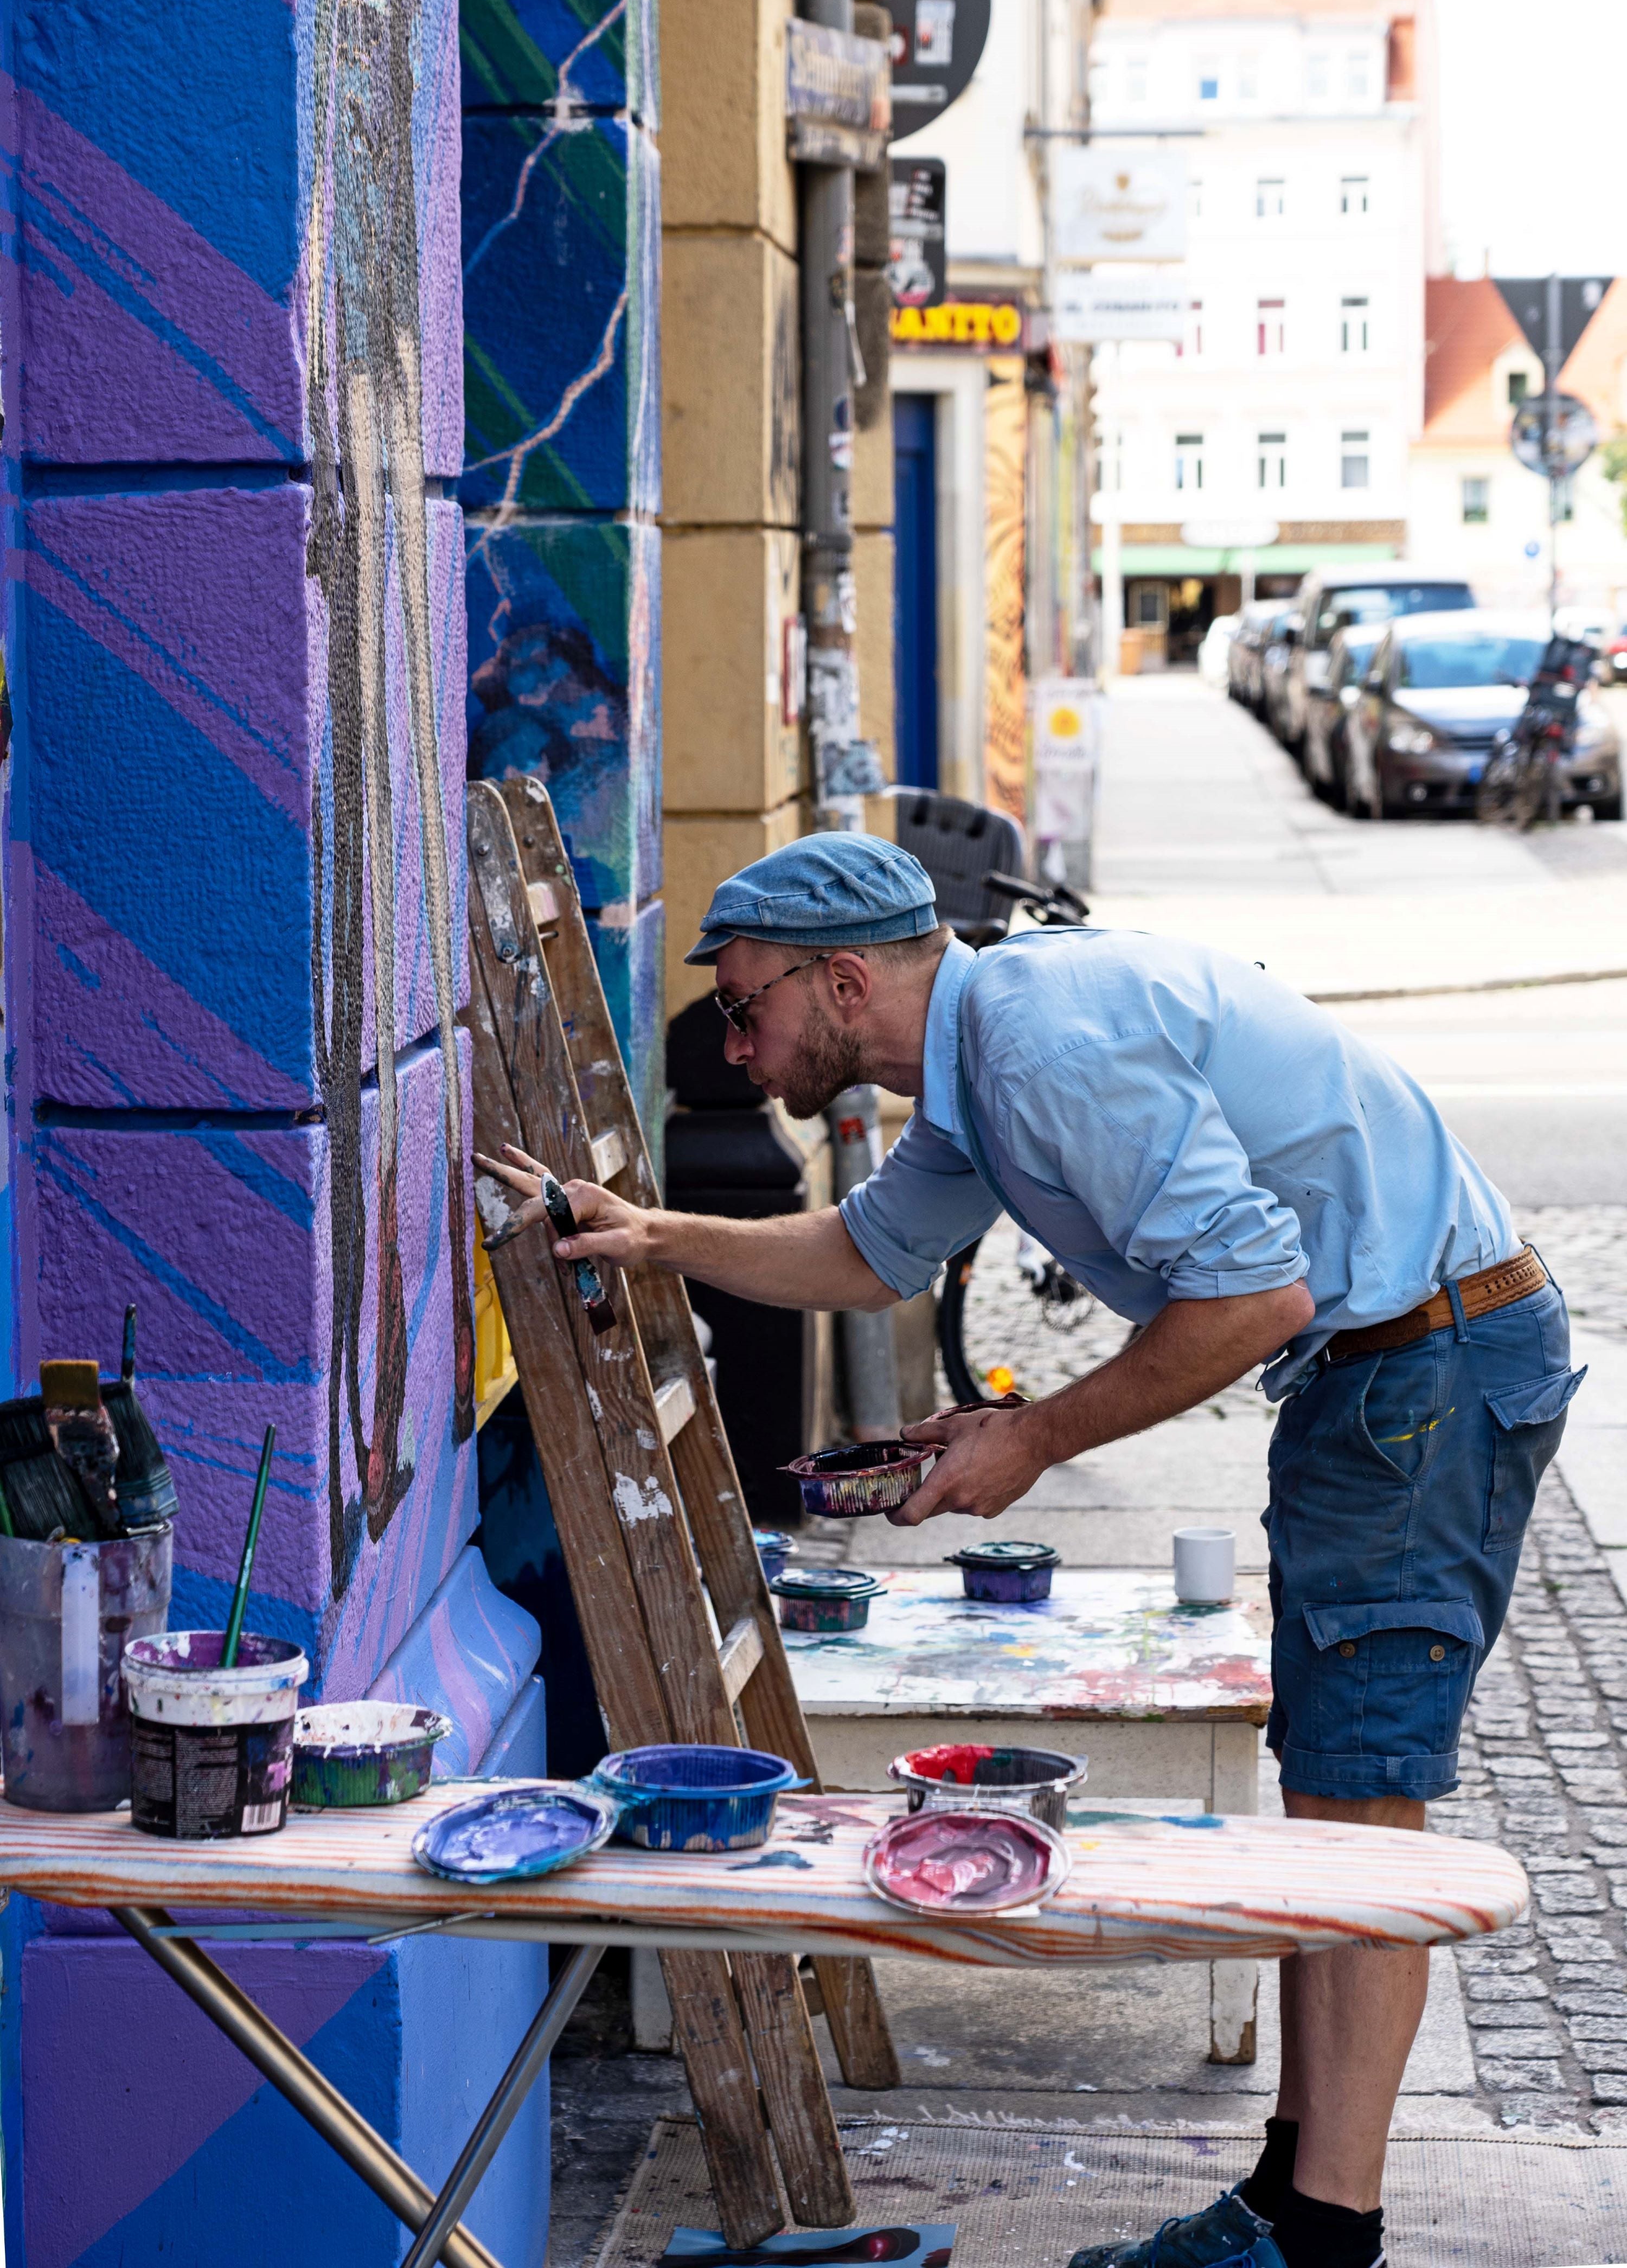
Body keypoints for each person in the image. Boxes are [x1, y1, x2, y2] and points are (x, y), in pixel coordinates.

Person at [478, 834, 1581, 2268]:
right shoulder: (977, 1063)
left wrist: (1034, 1434)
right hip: (1380, 1369)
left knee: (1363, 1814)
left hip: (1429, 1358)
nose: (736, 1046)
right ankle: (1291, 2197)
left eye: (748, 1007)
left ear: (847, 979)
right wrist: (656, 1237)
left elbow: (1254, 1296)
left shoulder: (1038, 1044)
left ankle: (1327, 2233)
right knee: (1331, 1799)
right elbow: (871, 1255)